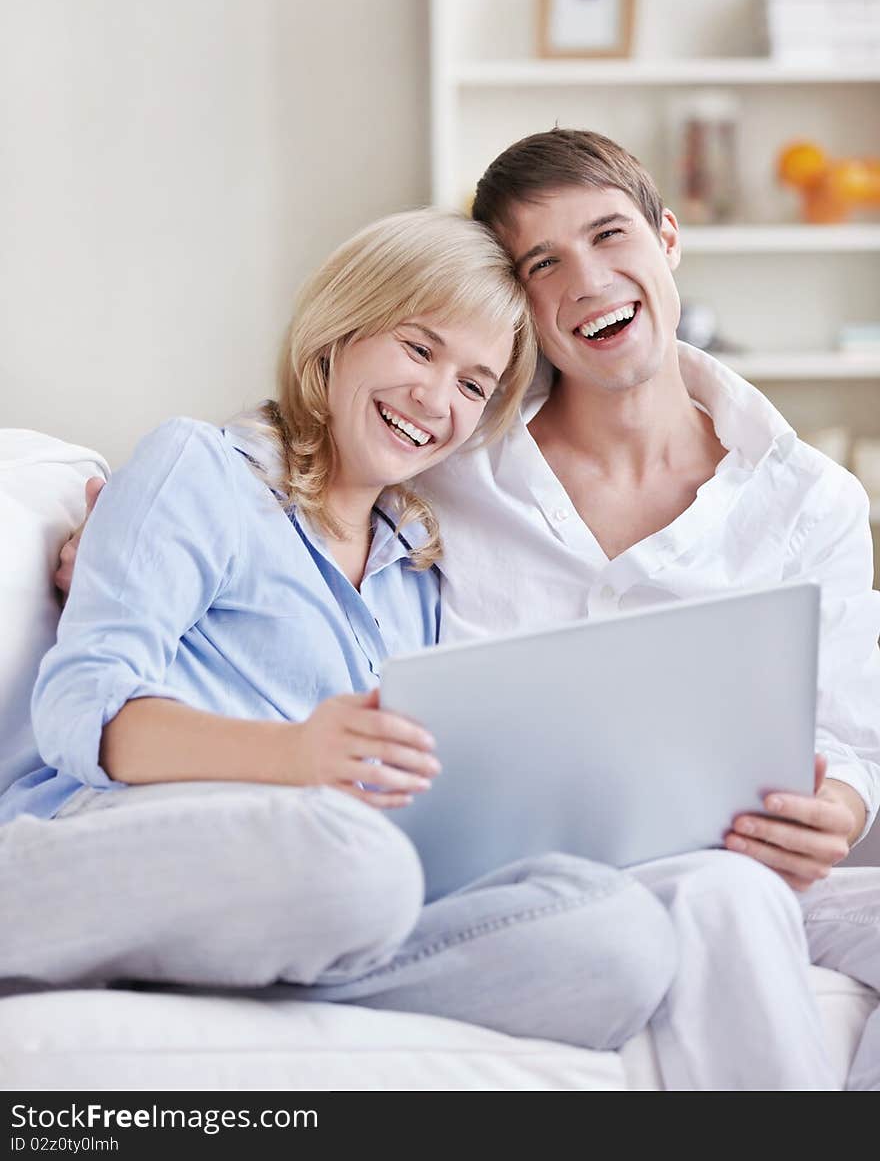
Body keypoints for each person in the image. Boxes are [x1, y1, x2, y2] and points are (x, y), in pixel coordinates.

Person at [0, 208, 676, 1054]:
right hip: (127, 837)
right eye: (420, 348)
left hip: (315, 889)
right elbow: (78, 712)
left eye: (474, 385)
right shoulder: (203, 469)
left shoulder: (418, 569)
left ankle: (244, 981)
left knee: (620, 935)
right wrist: (295, 757)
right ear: (340, 333)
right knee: (354, 864)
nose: (437, 399)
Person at [410, 128, 880, 1090]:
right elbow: (309, 421)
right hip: (524, 881)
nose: (587, 281)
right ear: (517, 303)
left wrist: (835, 806)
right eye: (545, 262)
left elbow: (853, 737)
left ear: (668, 240)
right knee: (724, 899)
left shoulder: (811, 500)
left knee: (742, 888)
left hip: (745, 858)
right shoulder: (448, 467)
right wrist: (154, 517)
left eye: (610, 235)